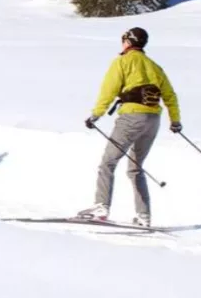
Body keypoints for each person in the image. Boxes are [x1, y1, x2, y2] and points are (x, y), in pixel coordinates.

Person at [78, 27, 181, 227]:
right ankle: (144, 216)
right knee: (136, 168)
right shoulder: (155, 67)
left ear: (127, 41)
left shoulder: (122, 62)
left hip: (131, 117)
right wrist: (175, 120)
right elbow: (170, 96)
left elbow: (109, 90)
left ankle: (101, 207)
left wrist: (96, 115)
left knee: (108, 163)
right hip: (153, 120)